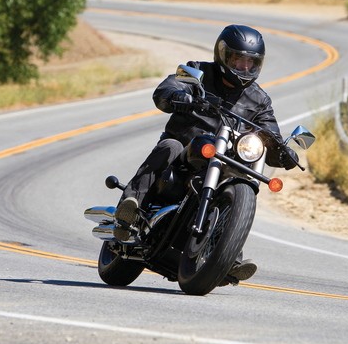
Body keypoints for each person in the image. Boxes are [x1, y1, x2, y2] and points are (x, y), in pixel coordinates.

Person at [113, 24, 299, 283]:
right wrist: (178, 96)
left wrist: (284, 151)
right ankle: (129, 213)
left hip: (224, 161)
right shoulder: (198, 72)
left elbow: (270, 131)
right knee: (170, 146)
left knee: (240, 182)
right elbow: (165, 90)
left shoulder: (259, 100)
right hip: (184, 154)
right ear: (223, 55)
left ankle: (227, 255)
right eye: (238, 60)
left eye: (251, 62)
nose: (245, 67)